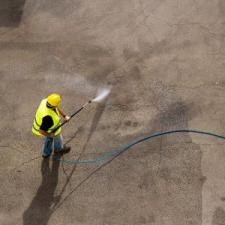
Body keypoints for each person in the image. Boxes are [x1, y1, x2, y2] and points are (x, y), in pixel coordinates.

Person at [32, 93, 71, 158]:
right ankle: (59, 149)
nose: (58, 104)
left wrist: (64, 116)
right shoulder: (48, 118)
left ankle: (46, 153)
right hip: (50, 130)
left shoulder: (46, 101)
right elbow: (41, 131)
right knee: (56, 138)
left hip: (46, 127)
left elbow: (56, 107)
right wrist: (50, 134)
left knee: (49, 139)